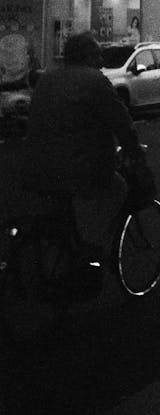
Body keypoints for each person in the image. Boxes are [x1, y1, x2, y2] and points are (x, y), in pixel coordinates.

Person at [21, 31, 147, 257]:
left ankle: (65, 250)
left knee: (61, 204)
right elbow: (121, 122)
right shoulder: (95, 81)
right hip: (76, 169)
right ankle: (92, 249)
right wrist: (135, 152)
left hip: (34, 166)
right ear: (87, 56)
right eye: (97, 55)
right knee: (117, 189)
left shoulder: (47, 79)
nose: (101, 61)